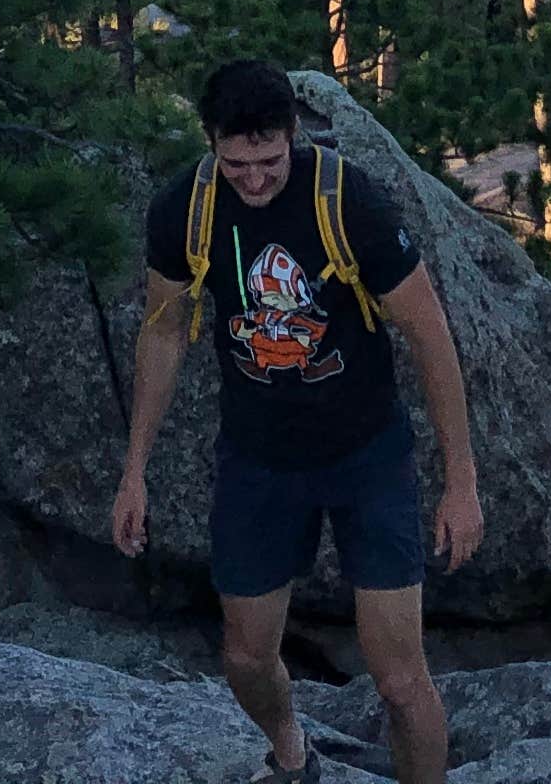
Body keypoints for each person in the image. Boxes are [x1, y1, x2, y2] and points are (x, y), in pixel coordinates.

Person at [110, 61, 483, 784]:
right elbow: (162, 332)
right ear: (213, 144)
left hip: (366, 454)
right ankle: (289, 748)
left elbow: (431, 335)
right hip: (259, 459)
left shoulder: (349, 203)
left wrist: (461, 479)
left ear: (294, 135)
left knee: (400, 679)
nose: (253, 179)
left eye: (269, 161)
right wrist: (135, 472)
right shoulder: (183, 210)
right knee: (246, 657)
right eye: (236, 163)